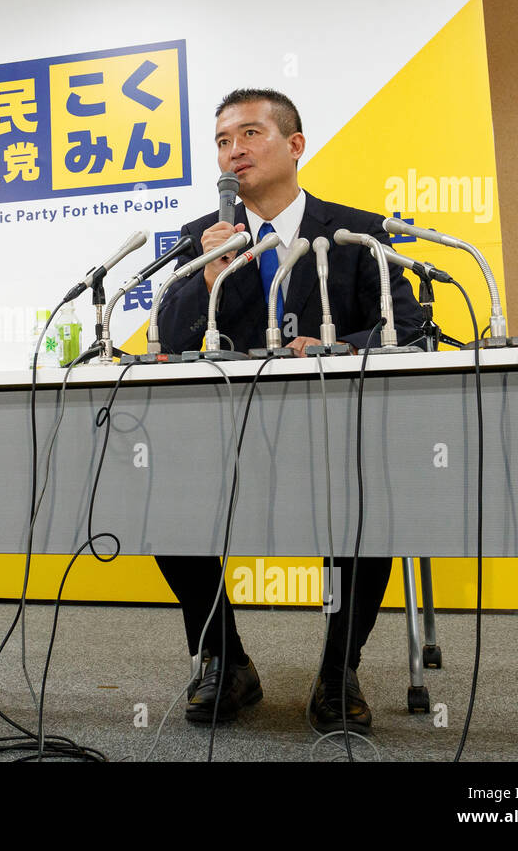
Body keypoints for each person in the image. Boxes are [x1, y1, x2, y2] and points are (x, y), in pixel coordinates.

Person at [154, 88, 422, 731]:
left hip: (338, 430)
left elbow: (410, 328)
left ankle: (338, 669)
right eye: (222, 142)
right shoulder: (201, 237)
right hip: (233, 433)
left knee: (364, 505)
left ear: (294, 145)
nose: (233, 152)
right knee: (164, 505)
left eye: (248, 135)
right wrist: (210, 281)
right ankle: (225, 658)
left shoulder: (357, 232)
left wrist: (333, 346)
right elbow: (166, 341)